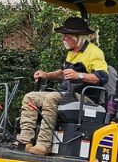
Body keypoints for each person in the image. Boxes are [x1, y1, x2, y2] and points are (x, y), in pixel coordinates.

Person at [16, 16, 109, 153]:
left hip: (84, 97)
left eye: (66, 36)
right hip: (66, 94)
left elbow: (101, 77)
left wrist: (79, 75)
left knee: (51, 97)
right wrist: (46, 75)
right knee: (30, 97)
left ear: (77, 36)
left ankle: (43, 144)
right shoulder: (72, 53)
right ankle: (25, 141)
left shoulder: (94, 53)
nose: (63, 39)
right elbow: (63, 73)